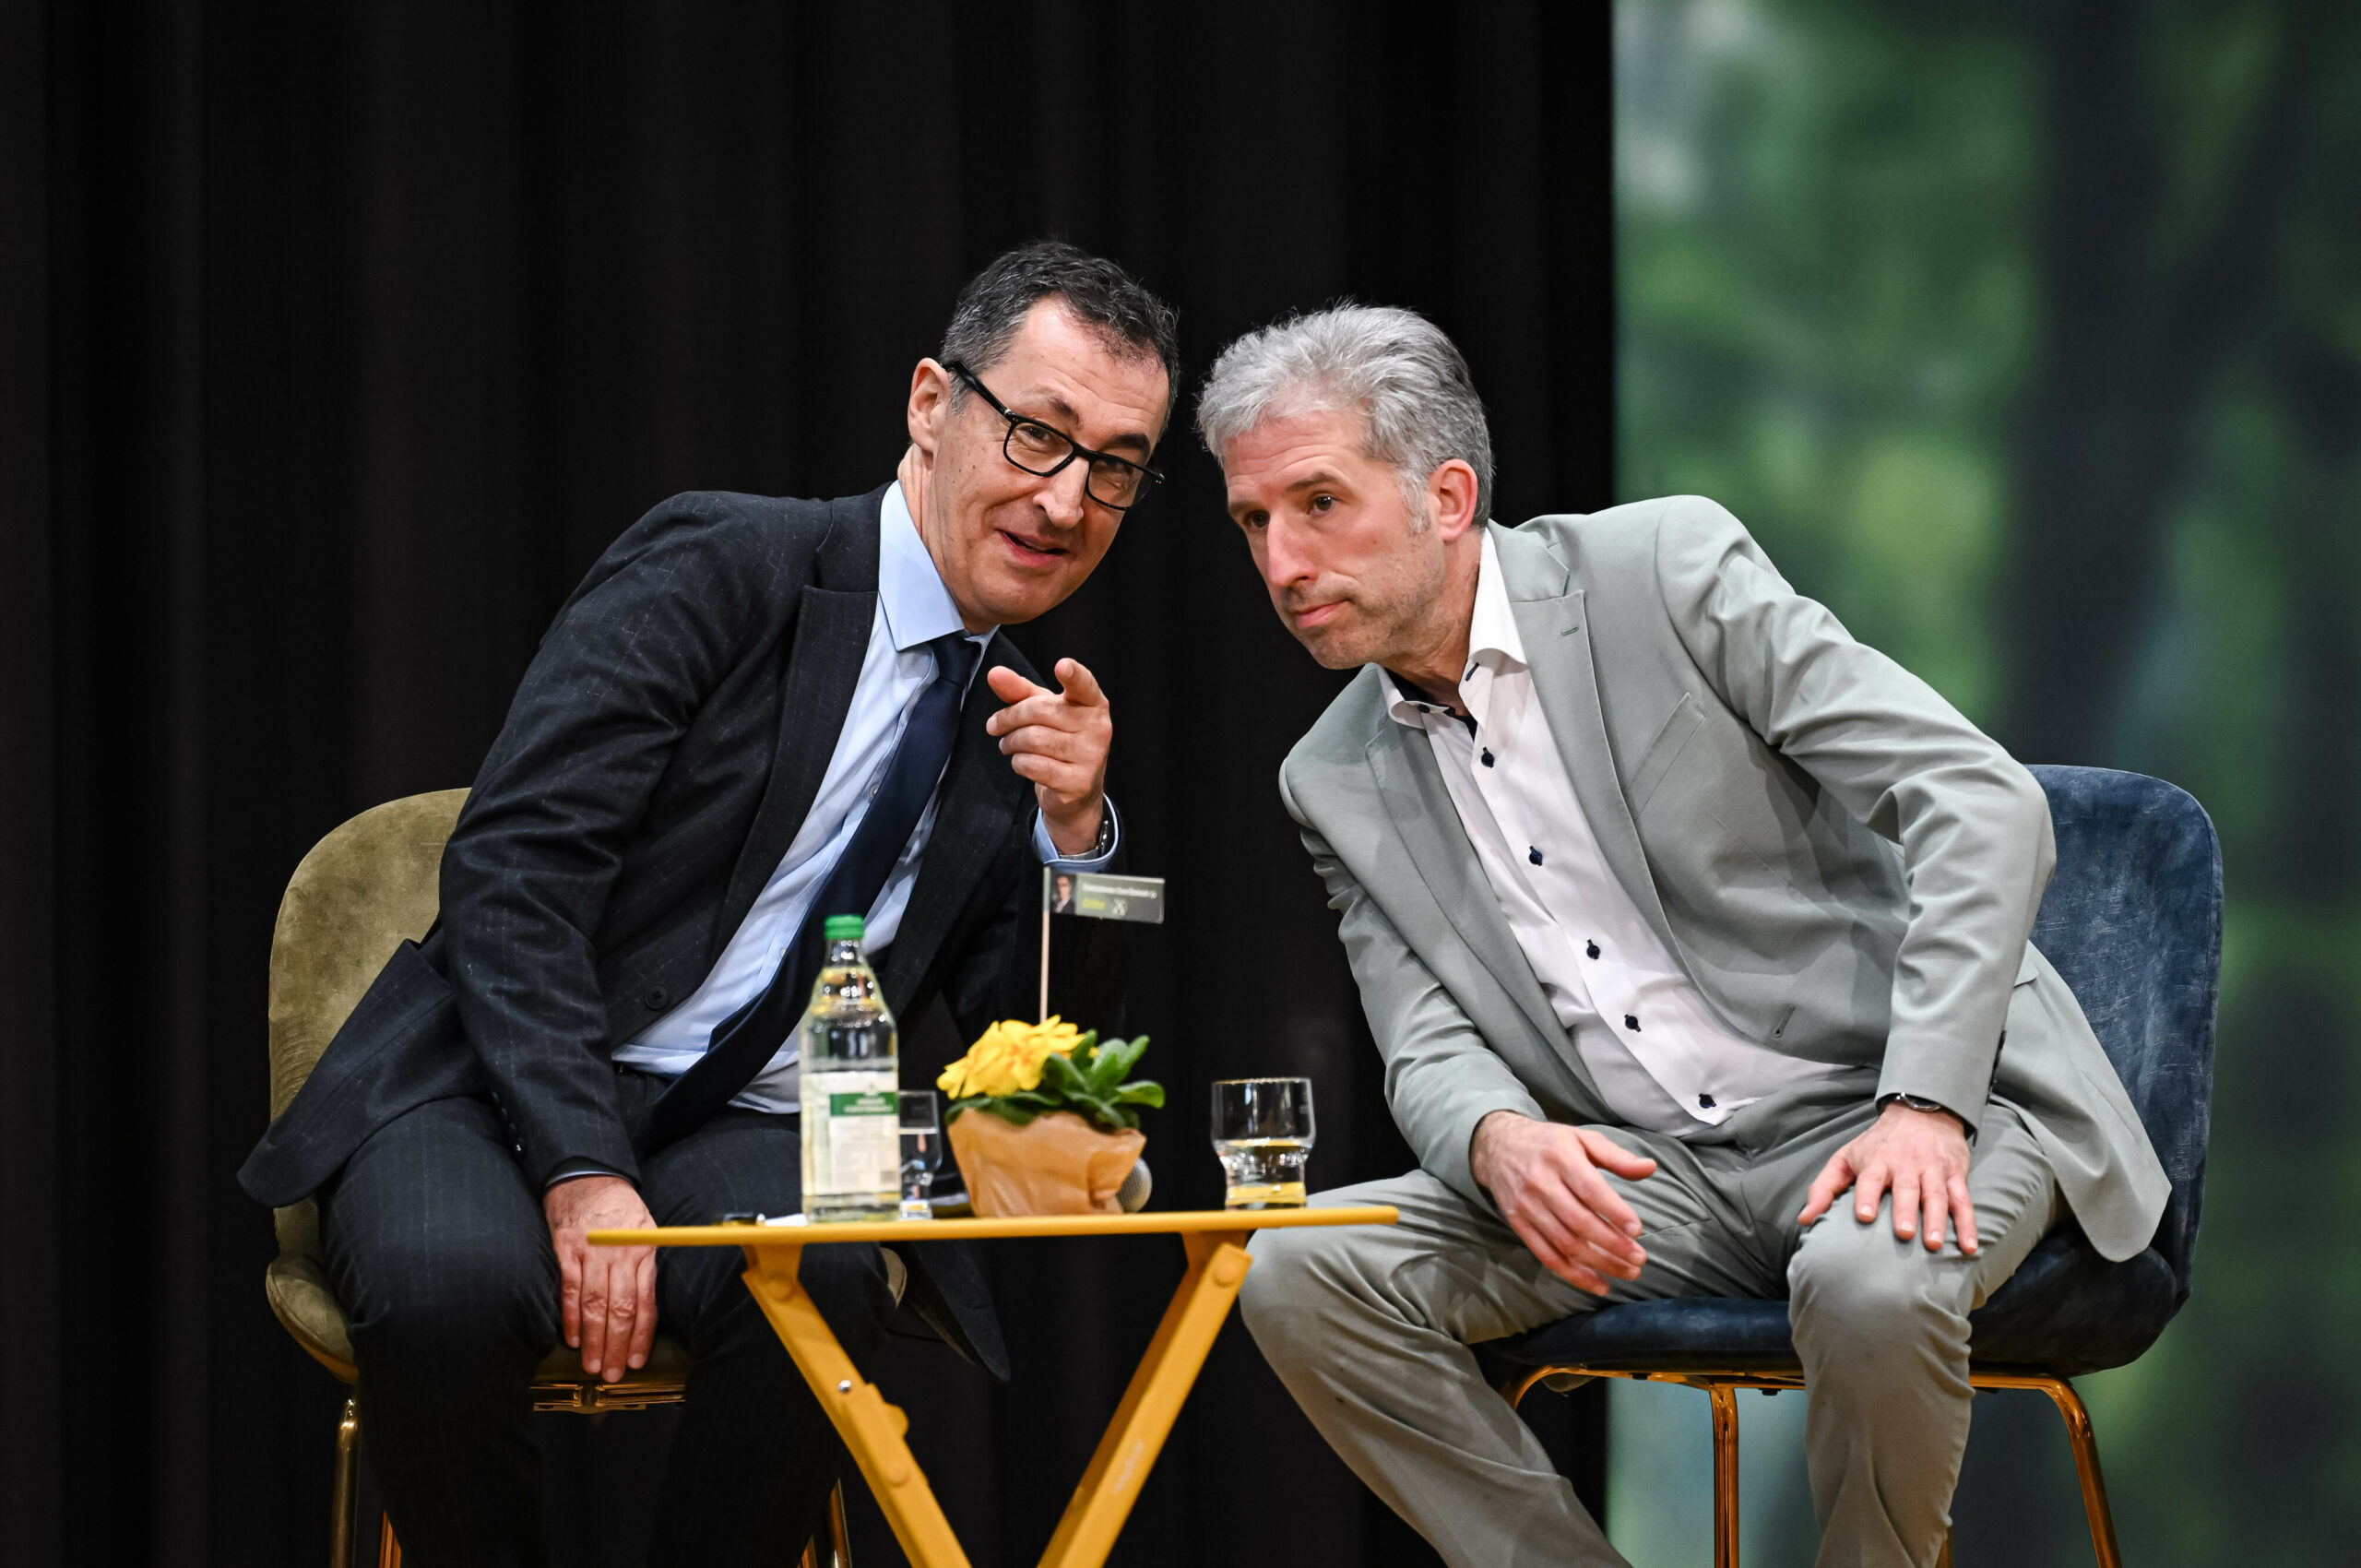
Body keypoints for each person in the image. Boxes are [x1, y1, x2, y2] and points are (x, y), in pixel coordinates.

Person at [240, 242, 1178, 1565]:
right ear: (931, 405)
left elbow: (1039, 1078)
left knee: (831, 1274)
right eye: (1038, 434)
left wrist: (1074, 842)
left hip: (739, 1127)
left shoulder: (1020, 724)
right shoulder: (727, 562)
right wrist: (580, 1163)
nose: (1068, 499)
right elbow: (513, 870)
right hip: (493, 1081)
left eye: (1117, 467)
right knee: (450, 1289)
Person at [1196, 304, 2167, 1568]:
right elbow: (1424, 1041)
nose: (1281, 561)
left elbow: (1979, 804)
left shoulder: (1665, 571)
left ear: (1446, 495)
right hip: (1658, 1180)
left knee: (1869, 1282)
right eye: (1253, 522)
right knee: (1297, 1274)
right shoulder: (1329, 773)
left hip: (1895, 1106)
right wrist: (1498, 1141)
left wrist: (1927, 1103)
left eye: (1318, 503)